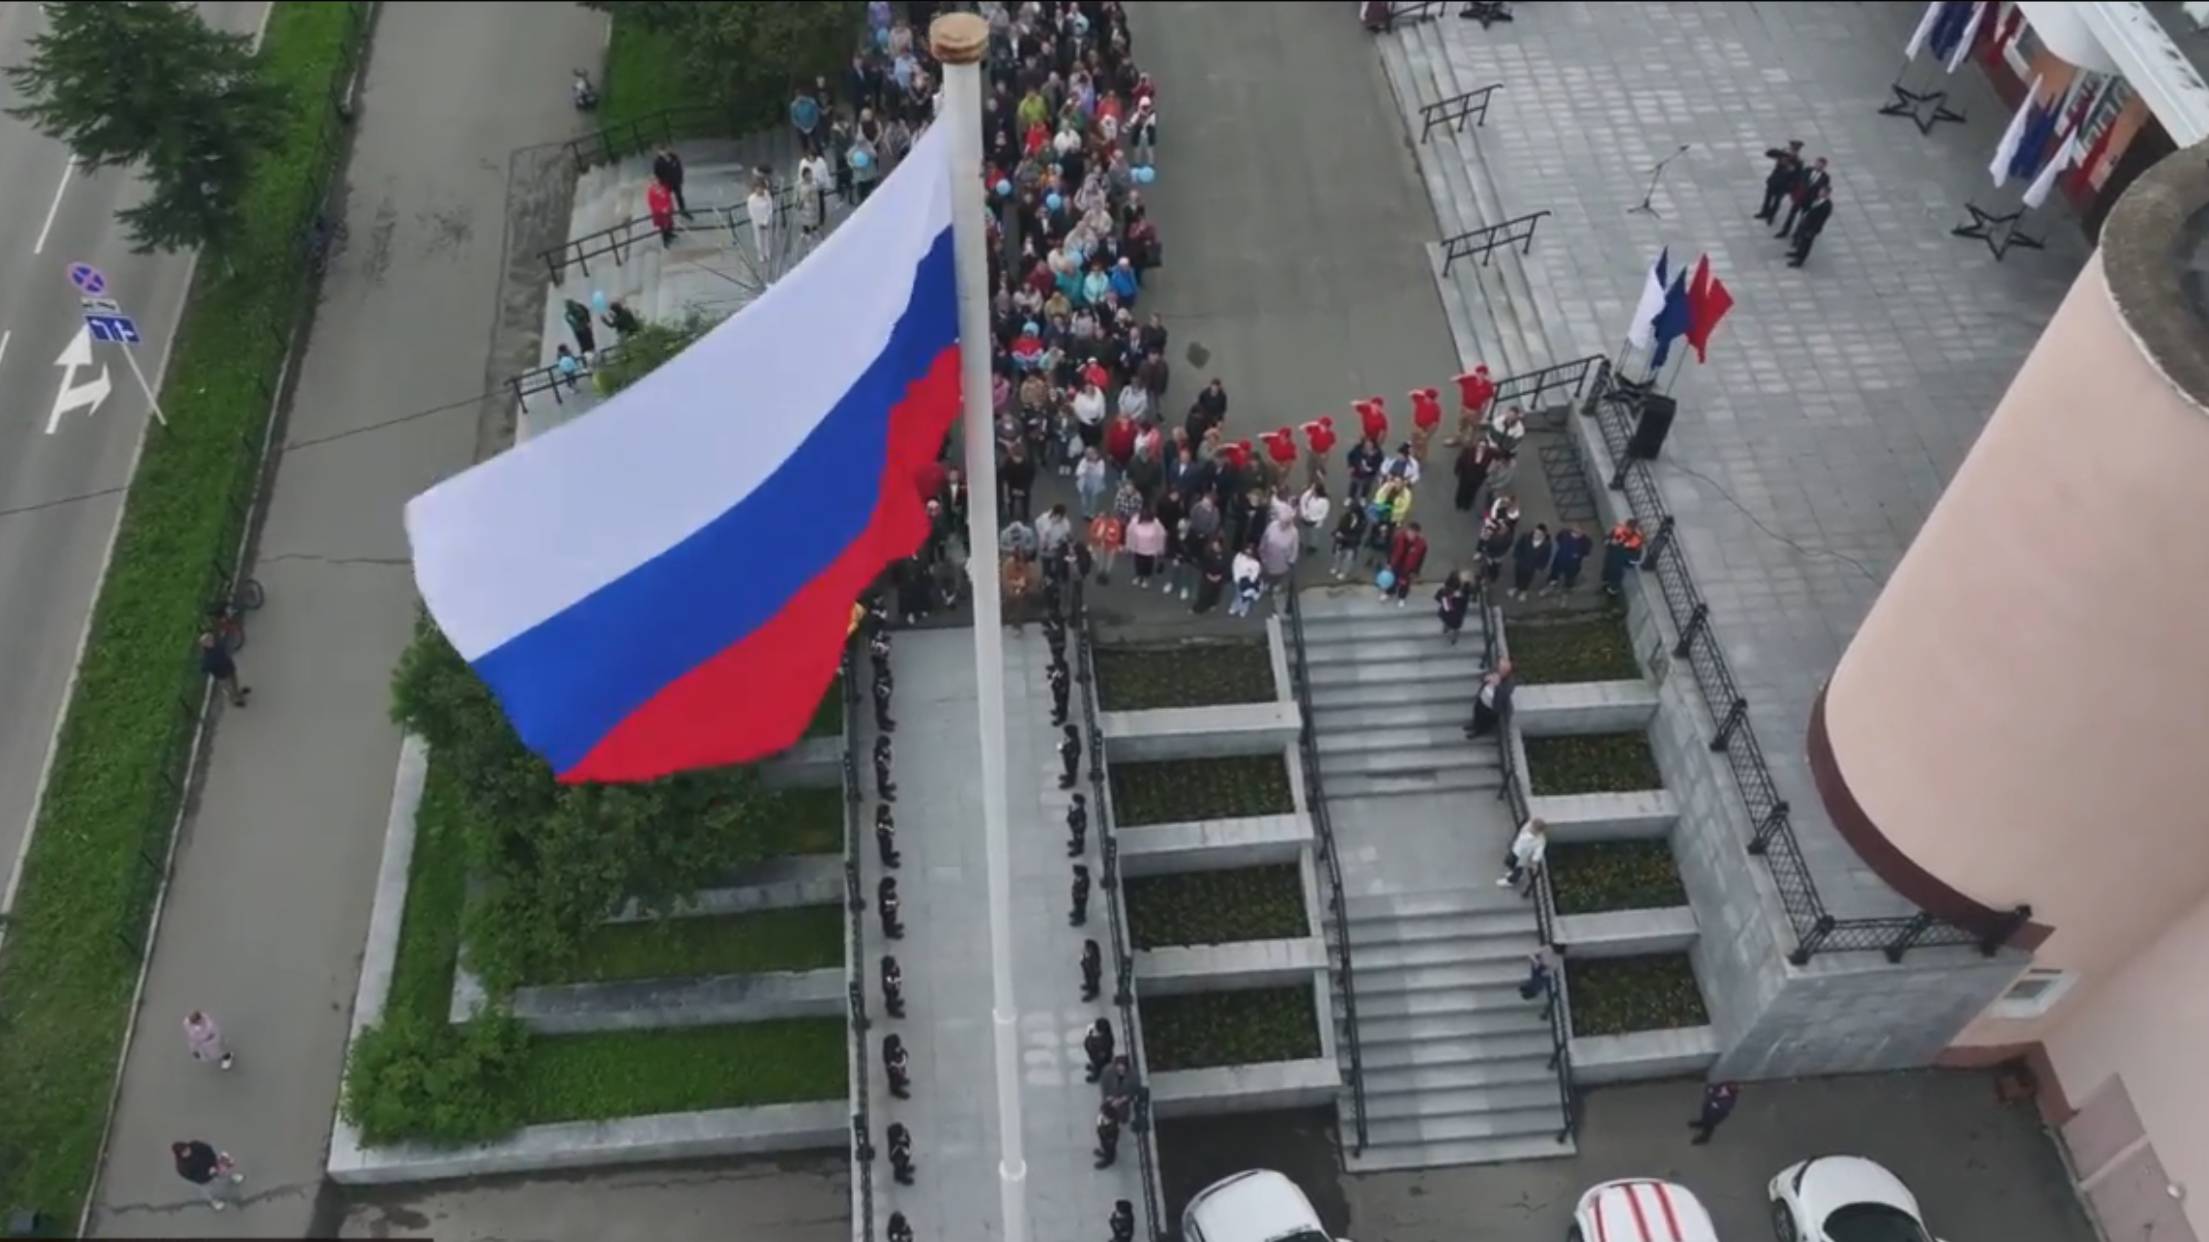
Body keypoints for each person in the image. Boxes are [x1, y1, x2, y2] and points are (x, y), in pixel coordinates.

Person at [171, 1140, 242, 1210]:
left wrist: (213, 1162)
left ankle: (232, 1177)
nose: (188, 1152)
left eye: (187, 1149)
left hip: (213, 1165)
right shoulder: (182, 1167)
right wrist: (208, 1174)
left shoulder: (195, 1145)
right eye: (184, 1152)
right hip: (204, 1180)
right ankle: (214, 1202)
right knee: (209, 1191)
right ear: (180, 1155)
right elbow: (194, 1177)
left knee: (224, 1172)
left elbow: (208, 1149)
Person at [1776, 156, 1829, 237]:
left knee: (1803, 219)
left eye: (1821, 165)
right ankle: (1784, 231)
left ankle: (1797, 235)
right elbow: (1799, 181)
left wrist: (1816, 200)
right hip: (1799, 198)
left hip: (1809, 200)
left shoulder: (1825, 177)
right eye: (1817, 164)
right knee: (1791, 215)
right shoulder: (1807, 170)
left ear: (1824, 167)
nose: (1818, 166)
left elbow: (1822, 190)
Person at [1465, 658, 1515, 738]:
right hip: (1483, 698)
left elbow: (1505, 693)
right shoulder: (1495, 671)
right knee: (1477, 711)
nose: (1499, 670)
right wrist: (1486, 678)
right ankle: (1474, 725)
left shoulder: (1509, 682)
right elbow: (1482, 678)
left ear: (1506, 671)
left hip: (1491, 706)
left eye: (1502, 669)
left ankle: (1478, 731)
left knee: (1484, 719)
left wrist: (1497, 685)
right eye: (1499, 667)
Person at [1449, 364, 1496, 446]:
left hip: (1476, 410)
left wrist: (1483, 412)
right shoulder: (1469, 379)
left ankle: (1470, 443)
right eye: (1478, 373)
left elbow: (1487, 400)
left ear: (1485, 375)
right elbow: (1452, 379)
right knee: (1461, 425)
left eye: (1483, 373)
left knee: (1474, 428)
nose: (1480, 375)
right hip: (1464, 407)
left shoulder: (1488, 385)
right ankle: (1457, 439)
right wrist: (1467, 375)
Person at [199, 631, 250, 707]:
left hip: (229, 668)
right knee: (228, 687)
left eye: (211, 639)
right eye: (208, 641)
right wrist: (213, 668)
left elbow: (225, 649)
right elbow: (204, 668)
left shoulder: (217, 645)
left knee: (234, 682)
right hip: (221, 675)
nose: (211, 641)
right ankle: (235, 700)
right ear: (205, 645)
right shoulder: (207, 657)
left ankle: (237, 693)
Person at [1756, 140, 1802, 222]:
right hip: (1774, 181)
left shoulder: (1798, 162)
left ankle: (1771, 216)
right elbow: (1769, 153)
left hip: (1784, 185)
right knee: (1768, 197)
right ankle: (1764, 212)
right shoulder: (1782, 154)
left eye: (1794, 150)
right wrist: (1782, 153)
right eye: (1791, 149)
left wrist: (1790, 186)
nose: (1792, 151)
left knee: (1777, 201)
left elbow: (1797, 176)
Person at [1499, 816, 1548, 893]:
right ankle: (1513, 873)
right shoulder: (1527, 826)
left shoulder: (1540, 841)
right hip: (1516, 849)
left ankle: (1511, 881)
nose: (1531, 829)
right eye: (1532, 827)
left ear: (1538, 831)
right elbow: (1521, 832)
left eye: (1533, 829)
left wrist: (1534, 860)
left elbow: (1538, 852)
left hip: (1524, 855)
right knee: (1510, 862)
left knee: (1518, 869)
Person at [1788, 184, 1833, 268]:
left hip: (1811, 227)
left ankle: (1800, 260)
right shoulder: (1817, 199)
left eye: (1822, 192)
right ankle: (1798, 253)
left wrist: (1813, 231)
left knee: (1806, 243)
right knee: (1801, 240)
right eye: (1820, 191)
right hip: (1806, 222)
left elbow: (1820, 220)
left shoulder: (1827, 205)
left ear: (1827, 194)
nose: (1820, 193)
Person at [1383, 522, 1428, 606]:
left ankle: (1402, 597)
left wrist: (1416, 571)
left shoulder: (1422, 544)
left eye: (1413, 533)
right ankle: (1389, 592)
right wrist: (1389, 563)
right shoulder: (1398, 537)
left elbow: (1421, 559)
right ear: (1407, 530)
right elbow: (1391, 550)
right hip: (1396, 564)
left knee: (1405, 584)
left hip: (1408, 568)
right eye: (1409, 532)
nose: (1410, 535)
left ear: (1417, 533)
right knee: (1392, 580)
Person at [1601, 518, 1645, 597]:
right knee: (1607, 568)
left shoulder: (1636, 539)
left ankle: (1612, 590)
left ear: (1633, 529)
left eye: (1629, 529)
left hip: (1620, 559)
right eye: (1627, 527)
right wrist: (1610, 542)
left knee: (1616, 575)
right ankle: (1606, 581)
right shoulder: (1618, 529)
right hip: (1612, 554)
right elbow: (1607, 539)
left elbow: (1635, 556)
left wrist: (1627, 561)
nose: (1627, 530)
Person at [1126, 506, 1166, 589]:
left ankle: (1146, 579)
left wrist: (1160, 549)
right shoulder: (1134, 522)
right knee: (1138, 563)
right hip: (1138, 548)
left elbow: (1161, 535)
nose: (1145, 521)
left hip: (1150, 550)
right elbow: (1129, 534)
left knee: (1148, 565)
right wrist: (1129, 546)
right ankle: (1138, 576)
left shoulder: (1156, 524)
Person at [1510, 522, 1553, 600]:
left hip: (1531, 566)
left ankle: (1523, 591)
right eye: (1535, 532)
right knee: (1518, 575)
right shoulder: (1526, 537)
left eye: (1539, 534)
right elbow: (1518, 547)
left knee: (1527, 579)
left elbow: (1546, 557)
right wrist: (1517, 557)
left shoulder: (1547, 545)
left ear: (1544, 535)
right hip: (1521, 563)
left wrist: (1540, 566)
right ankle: (1516, 587)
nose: (1535, 535)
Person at [1546, 524, 1593, 595]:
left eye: (1580, 533)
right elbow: (1558, 539)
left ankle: (1568, 585)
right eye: (1576, 532)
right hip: (1561, 558)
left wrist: (1579, 554)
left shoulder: (1586, 541)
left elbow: (1586, 552)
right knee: (1555, 571)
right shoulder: (1564, 534)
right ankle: (1553, 581)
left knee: (1570, 574)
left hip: (1573, 563)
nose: (1577, 535)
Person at [1328, 505, 1369, 580]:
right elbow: (1340, 527)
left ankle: (1344, 572)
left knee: (1348, 558)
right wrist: (1336, 533)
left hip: (1352, 542)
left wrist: (1344, 537)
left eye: (1353, 513)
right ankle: (1335, 567)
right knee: (1337, 555)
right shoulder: (1345, 516)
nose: (1351, 514)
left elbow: (1358, 534)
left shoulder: (1363, 522)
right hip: (1341, 540)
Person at [651, 143, 690, 219]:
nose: (663, 152)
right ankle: (668, 213)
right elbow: (656, 173)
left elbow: (679, 168)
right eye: (661, 151)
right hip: (666, 183)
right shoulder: (657, 162)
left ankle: (683, 211)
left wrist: (680, 178)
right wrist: (659, 183)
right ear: (659, 152)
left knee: (679, 196)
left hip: (675, 181)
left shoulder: (674, 157)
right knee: (667, 198)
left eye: (664, 150)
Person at [1435, 570, 1472, 644]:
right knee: (1454, 623)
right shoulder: (1461, 591)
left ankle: (1448, 629)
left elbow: (1438, 598)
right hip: (1455, 611)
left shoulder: (1462, 590)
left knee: (1450, 619)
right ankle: (1452, 633)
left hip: (1453, 611)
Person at [1345, 435, 1383, 505]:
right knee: (1354, 485)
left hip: (1369, 474)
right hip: (1357, 472)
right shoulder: (1358, 448)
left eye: (1370, 443)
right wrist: (1351, 466)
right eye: (1366, 443)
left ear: (1373, 444)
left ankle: (1363, 497)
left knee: (1366, 487)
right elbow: (1350, 456)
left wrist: (1372, 469)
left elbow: (1379, 463)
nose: (1368, 445)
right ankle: (1350, 497)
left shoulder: (1378, 453)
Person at [1228, 545, 1263, 618]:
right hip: (1238, 579)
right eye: (1246, 553)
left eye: (1250, 554)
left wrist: (1250, 581)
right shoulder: (1239, 556)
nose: (1248, 555)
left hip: (1248, 582)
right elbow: (1235, 566)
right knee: (1238, 594)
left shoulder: (1255, 563)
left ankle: (1244, 609)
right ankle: (1235, 607)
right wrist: (1236, 578)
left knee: (1246, 596)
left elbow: (1255, 573)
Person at [646, 176, 677, 248]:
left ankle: (669, 234)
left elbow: (669, 198)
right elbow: (652, 203)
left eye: (656, 180)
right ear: (651, 182)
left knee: (669, 223)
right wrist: (661, 209)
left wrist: (669, 207)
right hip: (659, 213)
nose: (655, 182)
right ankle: (665, 240)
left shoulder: (664, 188)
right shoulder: (651, 192)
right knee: (663, 227)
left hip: (667, 209)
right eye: (653, 181)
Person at [790, 85, 823, 150]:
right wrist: (801, 126)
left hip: (813, 125)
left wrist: (813, 124)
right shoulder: (793, 105)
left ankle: (820, 153)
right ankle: (806, 153)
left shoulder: (811, 101)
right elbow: (794, 118)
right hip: (801, 127)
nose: (799, 98)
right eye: (797, 96)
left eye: (801, 96)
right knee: (804, 143)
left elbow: (815, 113)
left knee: (817, 142)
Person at [1084, 1017, 1115, 1081]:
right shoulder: (1105, 1036)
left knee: (1100, 1062)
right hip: (1101, 1058)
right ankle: (1096, 1068)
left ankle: (1097, 1073)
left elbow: (1104, 1050)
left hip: (1102, 1059)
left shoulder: (1106, 1038)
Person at [883, 1032, 912, 1099]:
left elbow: (902, 1051)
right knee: (895, 1078)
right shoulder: (888, 1054)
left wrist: (904, 1055)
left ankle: (900, 1080)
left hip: (899, 1065)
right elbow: (889, 1061)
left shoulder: (897, 1049)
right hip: (894, 1068)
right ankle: (895, 1090)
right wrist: (894, 1065)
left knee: (901, 1074)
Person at [881, 953, 905, 1018]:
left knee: (895, 989)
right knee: (890, 991)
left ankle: (893, 1001)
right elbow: (888, 983)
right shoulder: (888, 974)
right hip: (889, 982)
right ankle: (892, 1009)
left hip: (892, 980)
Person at [1059, 723, 1082, 790]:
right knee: (1068, 768)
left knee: (1072, 770)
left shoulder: (1075, 740)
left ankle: (1071, 782)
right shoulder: (1070, 738)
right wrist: (1062, 748)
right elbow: (1065, 744)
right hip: (1068, 756)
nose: (1066, 734)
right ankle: (1069, 776)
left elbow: (1077, 751)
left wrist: (1069, 753)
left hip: (1072, 759)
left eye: (1067, 732)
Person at [1070, 861, 1092, 925]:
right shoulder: (1080, 878)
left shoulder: (1084, 879)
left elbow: (1083, 888)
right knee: (1077, 904)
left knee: (1080, 906)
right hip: (1078, 895)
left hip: (1081, 896)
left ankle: (1080, 919)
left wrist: (1078, 893)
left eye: (1076, 872)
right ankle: (1076, 913)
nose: (1075, 873)